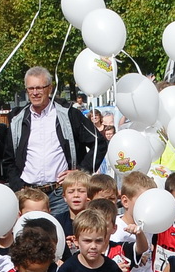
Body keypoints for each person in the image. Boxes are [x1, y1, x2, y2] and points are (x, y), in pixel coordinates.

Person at [7, 66, 108, 216]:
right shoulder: (17, 119)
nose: (35, 93)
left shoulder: (68, 115)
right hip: (28, 195)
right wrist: (18, 186)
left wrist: (81, 171)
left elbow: (99, 143)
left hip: (60, 195)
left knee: (62, 237)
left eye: (40, 88)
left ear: (50, 88)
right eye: (31, 88)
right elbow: (8, 159)